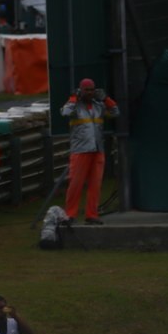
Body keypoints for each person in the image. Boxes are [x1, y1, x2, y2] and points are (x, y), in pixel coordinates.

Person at [59, 78, 119, 225]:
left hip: (98, 150)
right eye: (87, 90)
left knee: (95, 184)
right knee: (76, 184)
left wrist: (106, 98)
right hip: (80, 150)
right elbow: (65, 113)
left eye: (92, 89)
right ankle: (70, 214)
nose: (90, 92)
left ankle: (91, 214)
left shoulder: (99, 106)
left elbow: (116, 112)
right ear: (81, 91)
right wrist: (73, 98)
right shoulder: (75, 106)